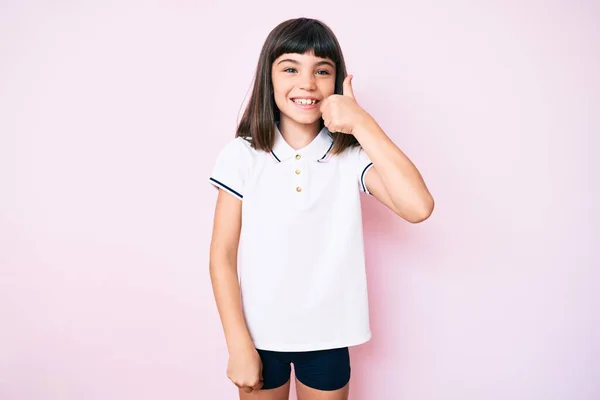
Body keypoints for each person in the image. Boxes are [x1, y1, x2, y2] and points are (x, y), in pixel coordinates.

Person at [208, 17, 434, 400]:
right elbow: (222, 255)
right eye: (291, 68)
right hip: (260, 338)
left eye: (322, 71)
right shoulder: (242, 155)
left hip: (329, 336)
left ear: (337, 80)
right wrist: (238, 344)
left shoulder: (351, 156)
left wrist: (362, 123)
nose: (307, 83)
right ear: (269, 77)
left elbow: (418, 207)